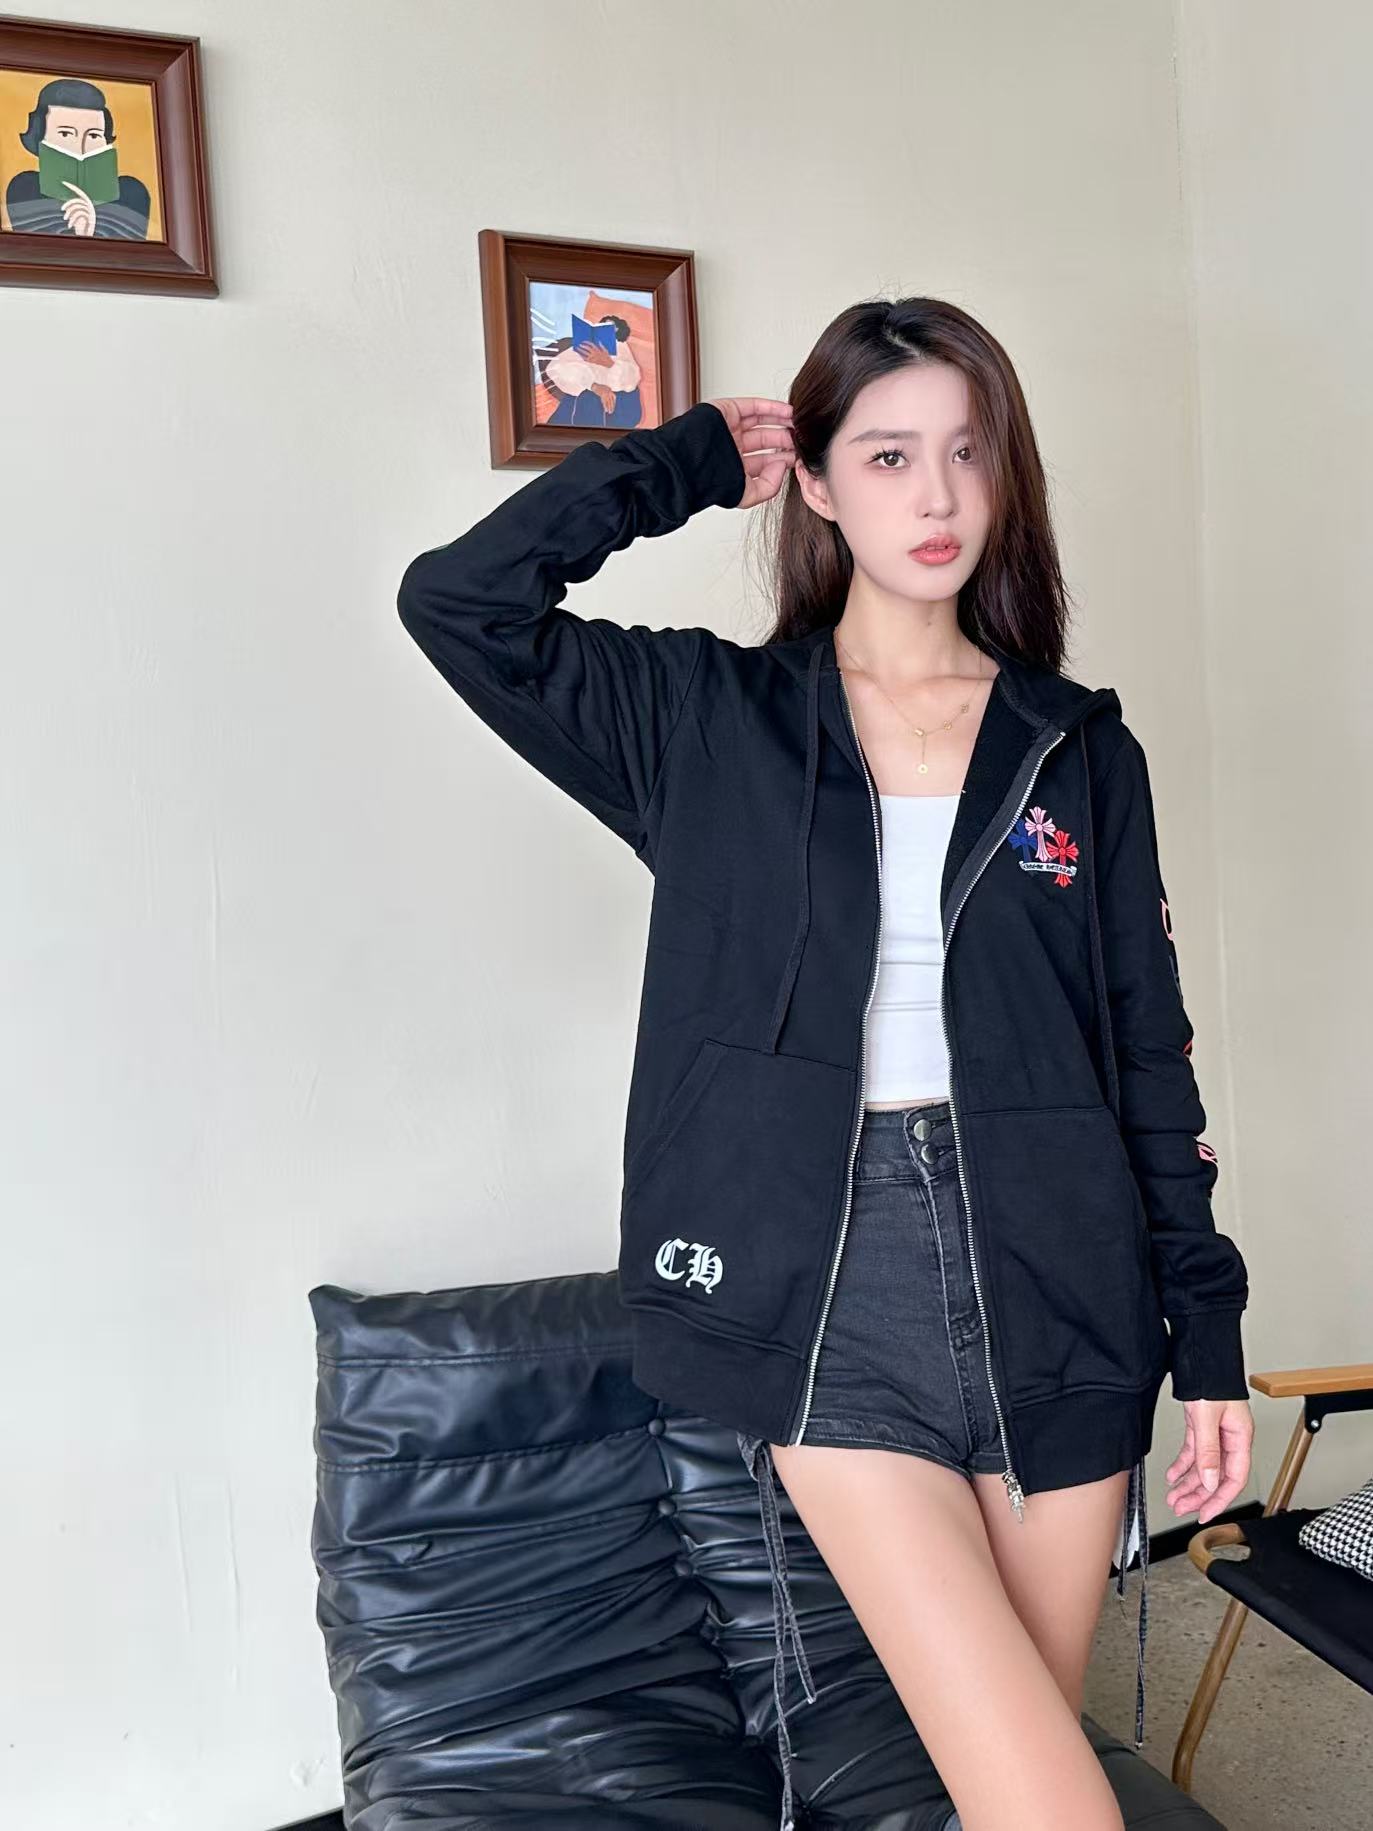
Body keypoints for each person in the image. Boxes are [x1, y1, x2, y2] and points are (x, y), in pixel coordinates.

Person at [396, 294, 1254, 1831]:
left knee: (1013, 1779)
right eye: (887, 454)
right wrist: (676, 463)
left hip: (1063, 1280)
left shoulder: (1074, 746)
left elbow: (1146, 1052)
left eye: (967, 453)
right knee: (1054, 1811)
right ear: (816, 480)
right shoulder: (702, 718)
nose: (935, 496)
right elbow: (458, 602)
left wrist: (1207, 1335)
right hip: (829, 1288)